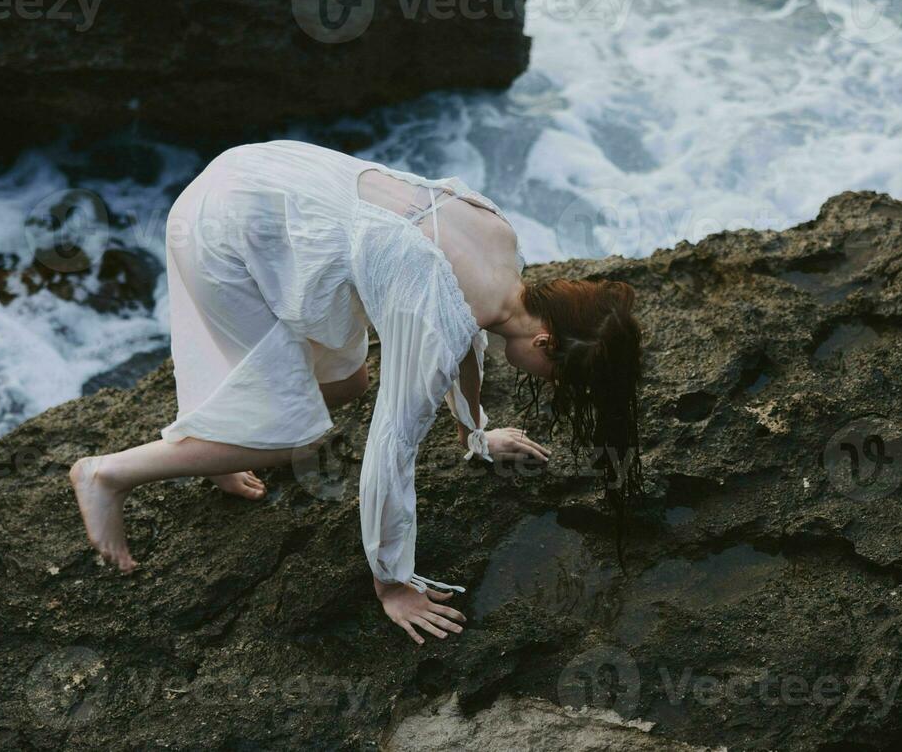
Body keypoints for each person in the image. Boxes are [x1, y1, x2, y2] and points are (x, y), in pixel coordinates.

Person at [70, 139, 643, 644]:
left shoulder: (498, 238)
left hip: (262, 174)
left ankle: (216, 448)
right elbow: (390, 453)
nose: (542, 381)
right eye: (556, 375)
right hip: (227, 227)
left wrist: (476, 436)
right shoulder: (440, 316)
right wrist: (393, 583)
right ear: (545, 342)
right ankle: (109, 474)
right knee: (294, 436)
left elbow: (470, 334)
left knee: (347, 383)